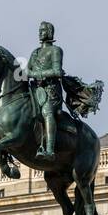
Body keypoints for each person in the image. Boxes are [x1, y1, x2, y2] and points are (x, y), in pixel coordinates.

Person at [27, 21, 64, 160]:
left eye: (43, 30)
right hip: (35, 90)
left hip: (50, 92)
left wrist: (37, 74)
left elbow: (57, 71)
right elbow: (28, 70)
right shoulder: (35, 52)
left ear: (49, 32)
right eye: (39, 30)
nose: (40, 32)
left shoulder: (55, 50)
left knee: (46, 111)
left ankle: (49, 150)